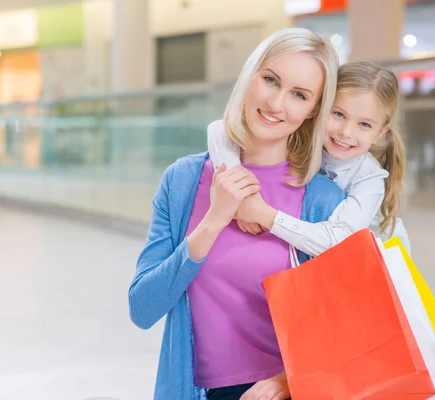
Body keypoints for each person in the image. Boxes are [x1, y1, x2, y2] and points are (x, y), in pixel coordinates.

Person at [129, 28, 343, 400]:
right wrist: (214, 219)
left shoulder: (323, 201)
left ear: (313, 111)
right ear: (250, 76)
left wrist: (287, 381)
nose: (276, 103)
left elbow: (347, 321)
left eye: (298, 95)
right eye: (270, 80)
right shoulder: (183, 181)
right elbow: (142, 308)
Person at [209, 61, 410, 255]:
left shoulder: (369, 179)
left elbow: (336, 241)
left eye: (364, 125)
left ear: (380, 133)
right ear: (319, 108)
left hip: (378, 270)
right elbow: (219, 129)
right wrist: (242, 192)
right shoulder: (303, 140)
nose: (346, 132)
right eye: (338, 114)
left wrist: (261, 213)